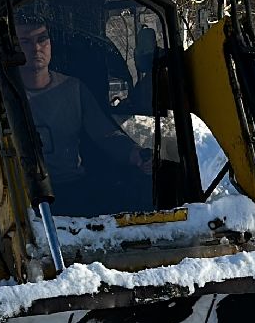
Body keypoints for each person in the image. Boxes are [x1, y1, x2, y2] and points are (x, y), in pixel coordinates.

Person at [14, 13, 152, 216]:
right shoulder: (1, 94)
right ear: (12, 47)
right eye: (25, 41)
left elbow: (105, 135)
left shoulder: (73, 89)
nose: (36, 48)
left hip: (70, 190)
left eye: (42, 39)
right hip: (20, 199)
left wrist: (136, 154)